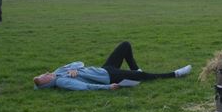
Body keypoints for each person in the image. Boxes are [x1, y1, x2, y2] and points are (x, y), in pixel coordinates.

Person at [33, 41, 192, 91]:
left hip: (104, 69)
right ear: (48, 83)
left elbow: (80, 63)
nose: (47, 73)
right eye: (45, 77)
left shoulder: (59, 72)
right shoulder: (61, 81)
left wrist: (73, 69)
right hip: (109, 77)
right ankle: (175, 74)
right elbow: (85, 87)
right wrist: (107, 88)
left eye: (43, 74)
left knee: (125, 46)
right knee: (143, 77)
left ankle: (136, 70)